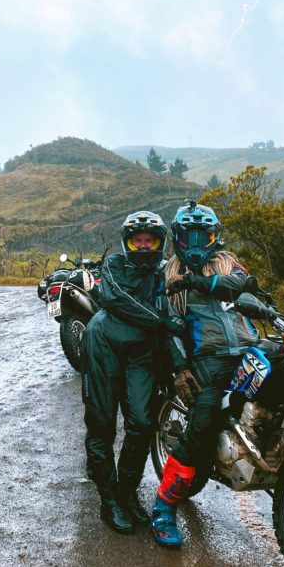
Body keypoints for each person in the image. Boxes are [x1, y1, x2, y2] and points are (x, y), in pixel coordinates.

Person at [150, 199, 259, 548]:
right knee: (204, 420)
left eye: (204, 236)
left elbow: (241, 285)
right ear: (177, 238)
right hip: (208, 359)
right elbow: (168, 326)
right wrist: (180, 368)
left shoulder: (228, 264)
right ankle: (164, 505)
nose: (196, 245)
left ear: (215, 236)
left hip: (249, 349)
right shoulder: (168, 274)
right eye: (189, 237)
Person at [81, 210, 169, 534]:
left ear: (159, 243)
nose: (144, 246)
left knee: (143, 423)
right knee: (102, 423)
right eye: (138, 240)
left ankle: (126, 492)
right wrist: (160, 321)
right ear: (128, 242)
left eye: (150, 240)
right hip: (103, 343)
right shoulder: (115, 265)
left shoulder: (164, 273)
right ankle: (109, 499)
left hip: (142, 353)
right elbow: (115, 297)